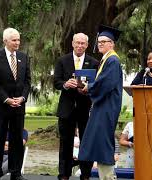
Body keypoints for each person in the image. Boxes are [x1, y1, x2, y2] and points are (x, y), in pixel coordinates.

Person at [78, 25, 123, 180]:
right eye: (99, 41)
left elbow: (106, 84)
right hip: (103, 106)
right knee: (99, 143)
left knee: (103, 143)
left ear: (112, 44)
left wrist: (88, 87)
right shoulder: (107, 59)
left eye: (105, 41)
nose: (101, 44)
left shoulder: (112, 60)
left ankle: (109, 178)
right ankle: (106, 176)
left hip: (106, 107)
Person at [53, 32, 99, 180]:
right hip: (66, 109)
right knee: (65, 142)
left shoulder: (94, 62)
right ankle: (64, 174)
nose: (80, 46)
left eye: (83, 43)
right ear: (72, 43)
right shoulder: (62, 60)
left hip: (85, 109)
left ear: (87, 45)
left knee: (86, 142)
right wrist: (66, 84)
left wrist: (88, 87)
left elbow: (97, 84)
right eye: (77, 43)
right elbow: (56, 82)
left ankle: (85, 174)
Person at [0, 27, 31, 180]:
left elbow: (27, 81)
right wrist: (6, 99)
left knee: (17, 140)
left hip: (19, 106)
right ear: (5, 41)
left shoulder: (24, 57)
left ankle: (15, 172)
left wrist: (22, 98)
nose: (17, 42)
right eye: (14, 40)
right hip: (2, 106)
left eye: (19, 39)